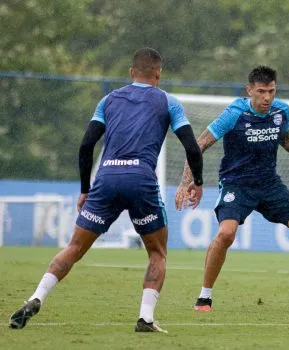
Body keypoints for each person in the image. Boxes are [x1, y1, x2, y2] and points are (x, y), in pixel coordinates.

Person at [9, 48, 204, 332]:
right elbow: (191, 147)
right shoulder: (168, 102)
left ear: (131, 72)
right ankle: (145, 318)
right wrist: (196, 182)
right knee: (157, 252)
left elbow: (87, 145)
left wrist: (85, 189)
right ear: (158, 73)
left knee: (74, 247)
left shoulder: (109, 100)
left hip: (107, 176)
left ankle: (36, 296)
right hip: (140, 179)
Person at [175, 65, 289, 314]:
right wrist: (185, 181)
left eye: (271, 91)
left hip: (269, 184)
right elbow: (198, 145)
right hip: (237, 184)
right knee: (226, 234)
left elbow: (285, 138)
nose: (267, 98)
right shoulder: (234, 114)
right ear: (249, 90)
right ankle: (204, 297)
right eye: (261, 91)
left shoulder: (281, 111)